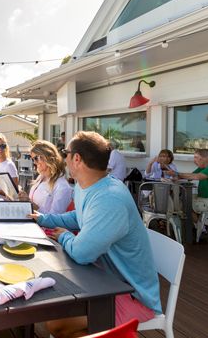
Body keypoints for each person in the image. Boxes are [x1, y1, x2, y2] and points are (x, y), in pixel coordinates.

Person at [30, 131, 161, 337]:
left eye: (66, 152)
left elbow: (82, 253)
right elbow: (78, 216)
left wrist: (64, 236)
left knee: (57, 324)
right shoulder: (88, 186)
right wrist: (44, 219)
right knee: (50, 304)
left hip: (130, 294)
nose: (63, 158)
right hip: (102, 279)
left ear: (76, 158)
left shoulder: (110, 198)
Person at [17, 140, 72, 214]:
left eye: (36, 158)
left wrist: (30, 203)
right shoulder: (41, 177)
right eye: (32, 159)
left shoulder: (62, 186)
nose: (34, 162)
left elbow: (55, 218)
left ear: (47, 157)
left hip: (41, 225)